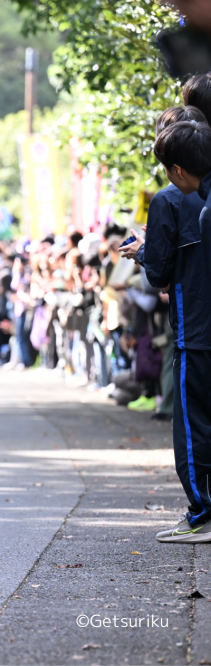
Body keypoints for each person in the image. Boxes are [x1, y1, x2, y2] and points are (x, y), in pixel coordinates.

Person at [119, 119, 211, 542]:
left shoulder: (170, 200)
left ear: (177, 168)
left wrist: (141, 251)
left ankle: (202, 512)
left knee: (192, 424)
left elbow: (158, 273)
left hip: (195, 327)